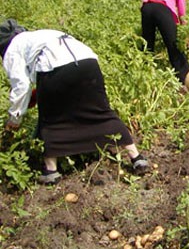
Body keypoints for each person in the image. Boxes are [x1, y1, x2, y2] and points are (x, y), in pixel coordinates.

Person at [0, 19, 149, 185]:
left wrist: (14, 119)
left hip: (57, 70)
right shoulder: (40, 34)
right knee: (101, 112)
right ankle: (137, 158)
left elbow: (21, 86)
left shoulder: (12, 49)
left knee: (50, 119)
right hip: (89, 64)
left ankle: (51, 171)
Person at [141, 0, 189, 84]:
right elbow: (182, 17)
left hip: (146, 8)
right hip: (162, 9)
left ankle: (145, 75)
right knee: (173, 46)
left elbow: (146, 2)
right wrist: (187, 38)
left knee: (147, 45)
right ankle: (185, 79)